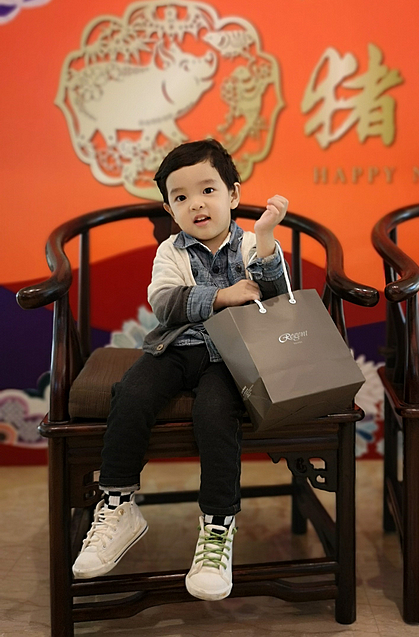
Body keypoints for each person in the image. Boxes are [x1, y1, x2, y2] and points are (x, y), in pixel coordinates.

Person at [72, 138, 289, 602]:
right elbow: (165, 304)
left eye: (208, 190)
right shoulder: (170, 251)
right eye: (181, 197)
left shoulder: (252, 244)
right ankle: (118, 505)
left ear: (233, 194)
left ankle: (217, 527)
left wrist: (268, 235)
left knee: (215, 412)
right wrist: (221, 296)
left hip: (231, 356)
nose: (197, 204)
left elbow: (276, 297)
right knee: (131, 393)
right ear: (170, 210)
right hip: (177, 348)